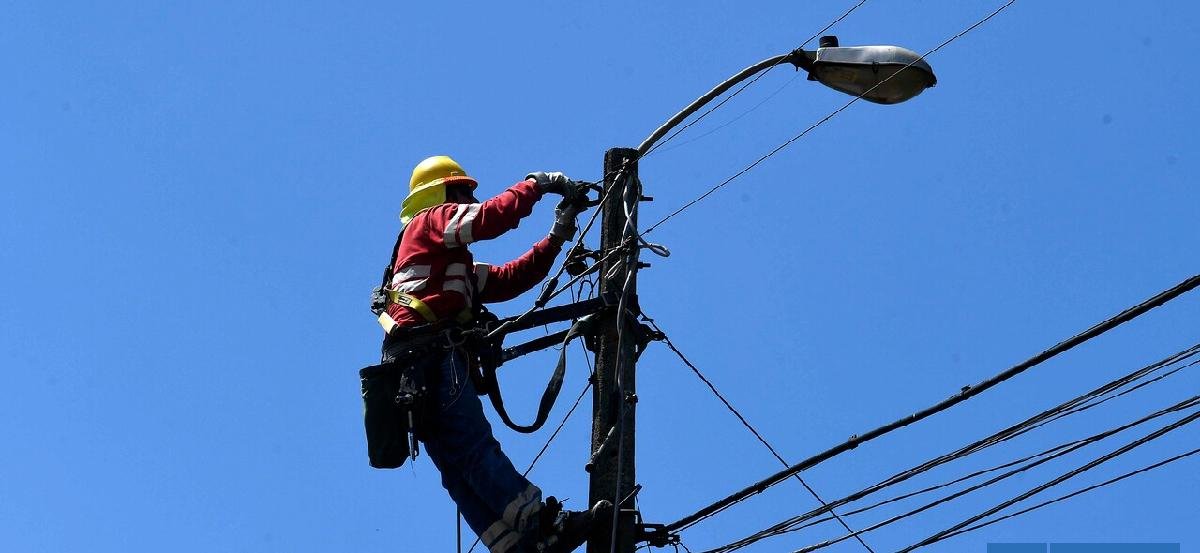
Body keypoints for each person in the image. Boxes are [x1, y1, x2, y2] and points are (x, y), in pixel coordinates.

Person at [376, 155, 610, 553]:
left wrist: (557, 235)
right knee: (472, 447)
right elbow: (490, 217)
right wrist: (538, 183)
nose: (471, 200)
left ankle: (518, 547)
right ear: (444, 193)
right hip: (430, 357)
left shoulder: (443, 260)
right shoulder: (430, 222)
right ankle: (542, 522)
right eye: (464, 192)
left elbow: (509, 278)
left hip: (411, 373)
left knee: (458, 469)